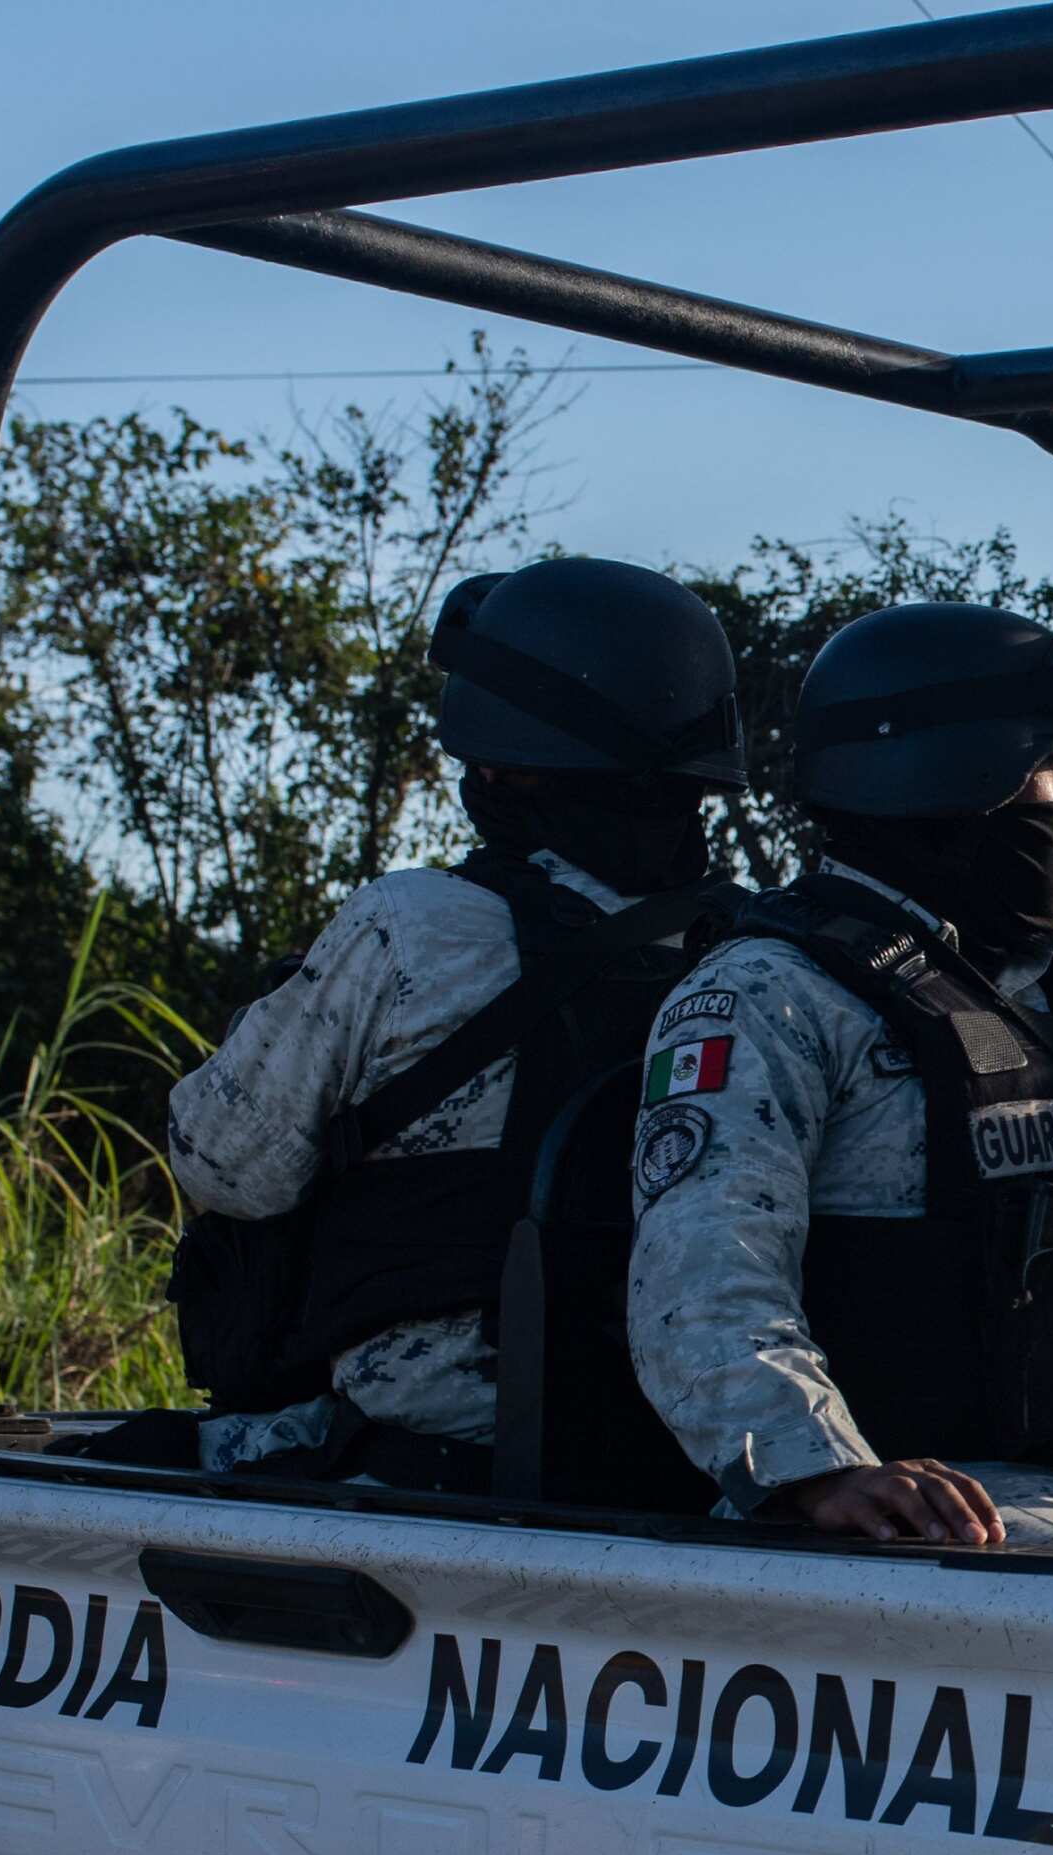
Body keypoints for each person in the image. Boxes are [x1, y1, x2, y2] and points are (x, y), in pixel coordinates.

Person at [624, 604, 1053, 1553]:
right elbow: (702, 1276)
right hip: (965, 1498)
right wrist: (820, 1468)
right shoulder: (771, 996)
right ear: (956, 780)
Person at [162, 556, 741, 1498]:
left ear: (506, 760)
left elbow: (229, 1165)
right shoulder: (753, 949)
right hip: (681, 1467)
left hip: (431, 1469)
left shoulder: (412, 926)